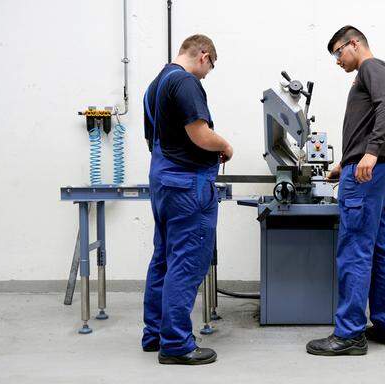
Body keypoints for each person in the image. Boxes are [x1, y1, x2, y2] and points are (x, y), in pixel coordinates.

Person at [307, 25, 385, 356]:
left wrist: (369, 153)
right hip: (376, 169)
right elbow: (371, 120)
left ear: (354, 44)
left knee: (355, 249)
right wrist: (345, 162)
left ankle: (349, 334)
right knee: (378, 247)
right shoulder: (370, 74)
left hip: (369, 172)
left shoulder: (372, 68)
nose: (337, 61)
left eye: (338, 53)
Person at [141, 34, 233, 365]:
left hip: (164, 180)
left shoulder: (155, 84)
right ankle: (177, 344)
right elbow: (200, 134)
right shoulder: (186, 82)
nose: (207, 73)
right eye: (210, 66)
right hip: (187, 186)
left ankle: (155, 333)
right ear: (204, 55)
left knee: (164, 258)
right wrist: (225, 145)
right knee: (187, 260)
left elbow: (157, 139)